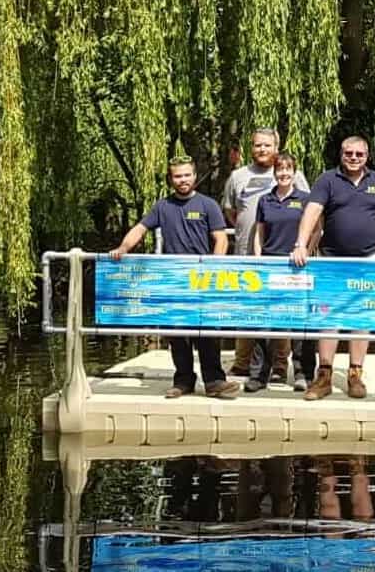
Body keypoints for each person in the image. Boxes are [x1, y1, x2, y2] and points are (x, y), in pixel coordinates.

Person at [109, 155, 241, 399]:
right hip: (174, 280)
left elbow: (221, 238)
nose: (183, 180)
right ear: (171, 179)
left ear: (194, 176)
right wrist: (123, 249)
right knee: (178, 334)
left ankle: (214, 381)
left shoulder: (207, 205)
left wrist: (214, 265)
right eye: (178, 176)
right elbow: (140, 228)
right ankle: (183, 381)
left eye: (187, 175)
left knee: (207, 333)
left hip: (202, 279)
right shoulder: (162, 206)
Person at [291, 136, 375, 400]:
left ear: (367, 155)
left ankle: (355, 374)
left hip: (368, 260)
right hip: (332, 260)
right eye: (348, 153)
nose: (353, 158)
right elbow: (312, 212)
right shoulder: (327, 180)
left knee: (361, 319)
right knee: (328, 317)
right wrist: (301, 244)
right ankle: (324, 375)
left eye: (359, 154)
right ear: (341, 154)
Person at [223, 128, 310, 380]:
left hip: (282, 256)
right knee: (247, 309)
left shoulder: (293, 175)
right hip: (246, 256)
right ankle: (243, 362)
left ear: (276, 146)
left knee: (281, 311)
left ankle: (279, 366)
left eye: (267, 145)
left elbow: (309, 211)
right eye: (257, 145)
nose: (262, 149)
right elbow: (231, 211)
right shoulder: (237, 176)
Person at [250, 153, 317, 392]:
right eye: (280, 169)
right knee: (265, 323)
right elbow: (260, 231)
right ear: (274, 173)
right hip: (270, 265)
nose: (284, 173)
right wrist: (258, 258)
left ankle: (303, 373)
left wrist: (306, 251)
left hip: (297, 266)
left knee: (301, 322)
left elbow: (317, 229)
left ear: (295, 172)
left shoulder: (306, 199)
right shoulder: (265, 200)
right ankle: (259, 375)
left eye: (288, 169)